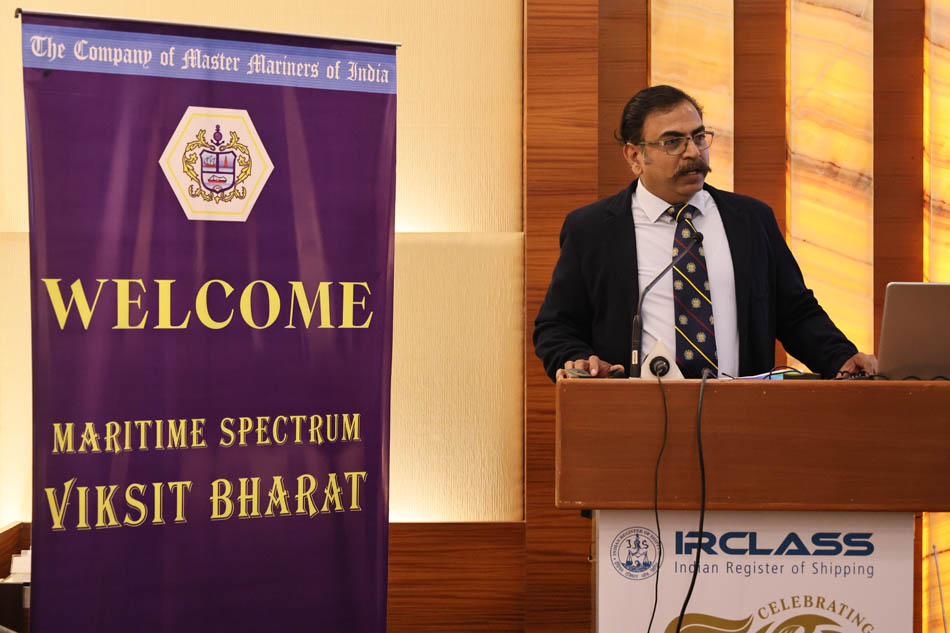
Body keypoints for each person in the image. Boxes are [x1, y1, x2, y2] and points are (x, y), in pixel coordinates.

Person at [533, 85, 877, 381]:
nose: (694, 152)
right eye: (673, 142)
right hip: (635, 416)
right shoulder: (593, 229)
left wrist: (841, 358)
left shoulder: (751, 220)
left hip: (741, 414)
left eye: (698, 137)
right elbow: (557, 328)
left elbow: (796, 312)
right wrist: (579, 360)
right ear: (635, 155)